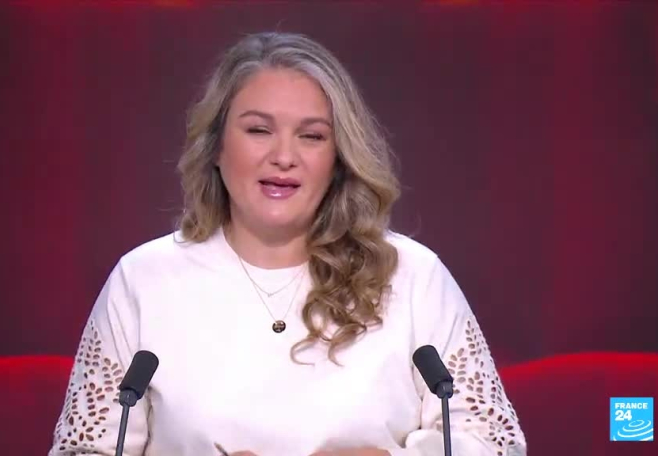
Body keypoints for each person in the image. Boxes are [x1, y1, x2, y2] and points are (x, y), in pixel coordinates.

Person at [49, 32, 527, 456]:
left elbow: (493, 443)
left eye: (311, 136)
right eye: (259, 130)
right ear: (216, 146)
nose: (283, 156)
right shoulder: (143, 280)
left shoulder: (412, 276)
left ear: (337, 158)